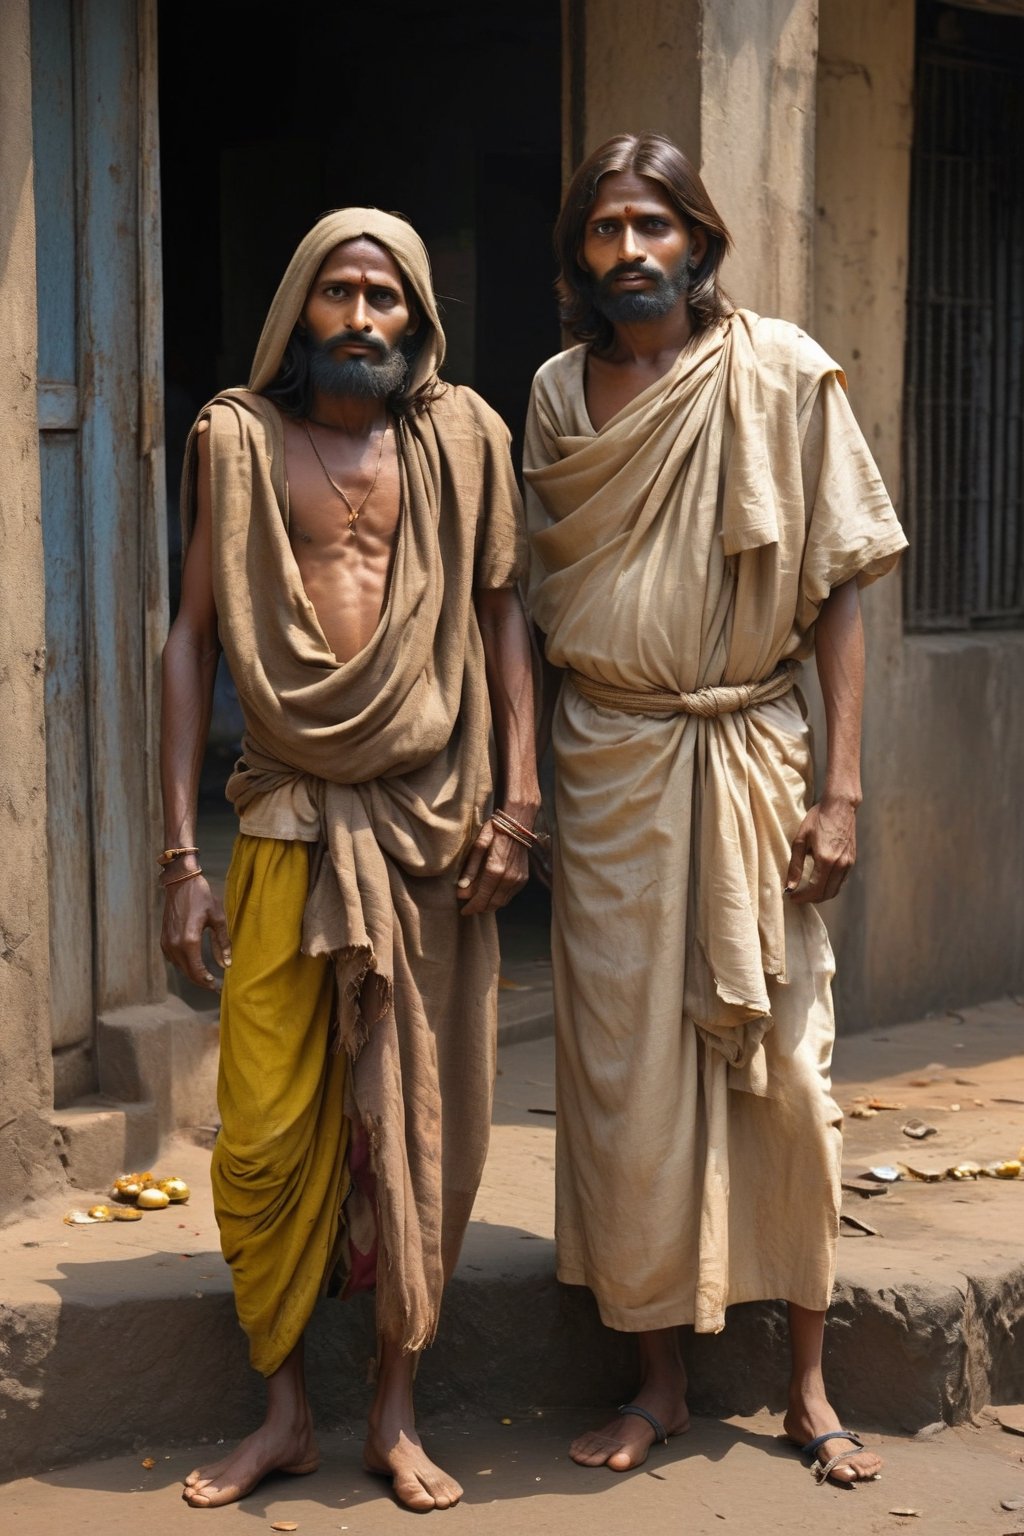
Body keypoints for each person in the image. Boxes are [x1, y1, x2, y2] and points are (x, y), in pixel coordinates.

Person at [523, 133, 908, 1489]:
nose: (628, 250)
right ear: (580, 253)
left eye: (651, 223)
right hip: (612, 765)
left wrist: (845, 789)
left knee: (793, 1079)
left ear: (699, 235)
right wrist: (524, 782)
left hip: (756, 755)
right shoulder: (561, 395)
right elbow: (530, 600)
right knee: (630, 1090)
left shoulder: (787, 371)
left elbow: (845, 582)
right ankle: (660, 1382)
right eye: (604, 229)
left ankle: (807, 1382)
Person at [160, 208, 540, 1511]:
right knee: (263, 1135)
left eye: (388, 295)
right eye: (341, 293)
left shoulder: (463, 440)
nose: (365, 317)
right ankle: (286, 1416)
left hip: (432, 827)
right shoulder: (241, 445)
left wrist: (521, 802)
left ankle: (391, 1413)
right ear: (297, 314)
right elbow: (190, 641)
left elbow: (505, 627)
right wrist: (174, 855)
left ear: (419, 318)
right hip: (281, 824)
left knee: (415, 1139)